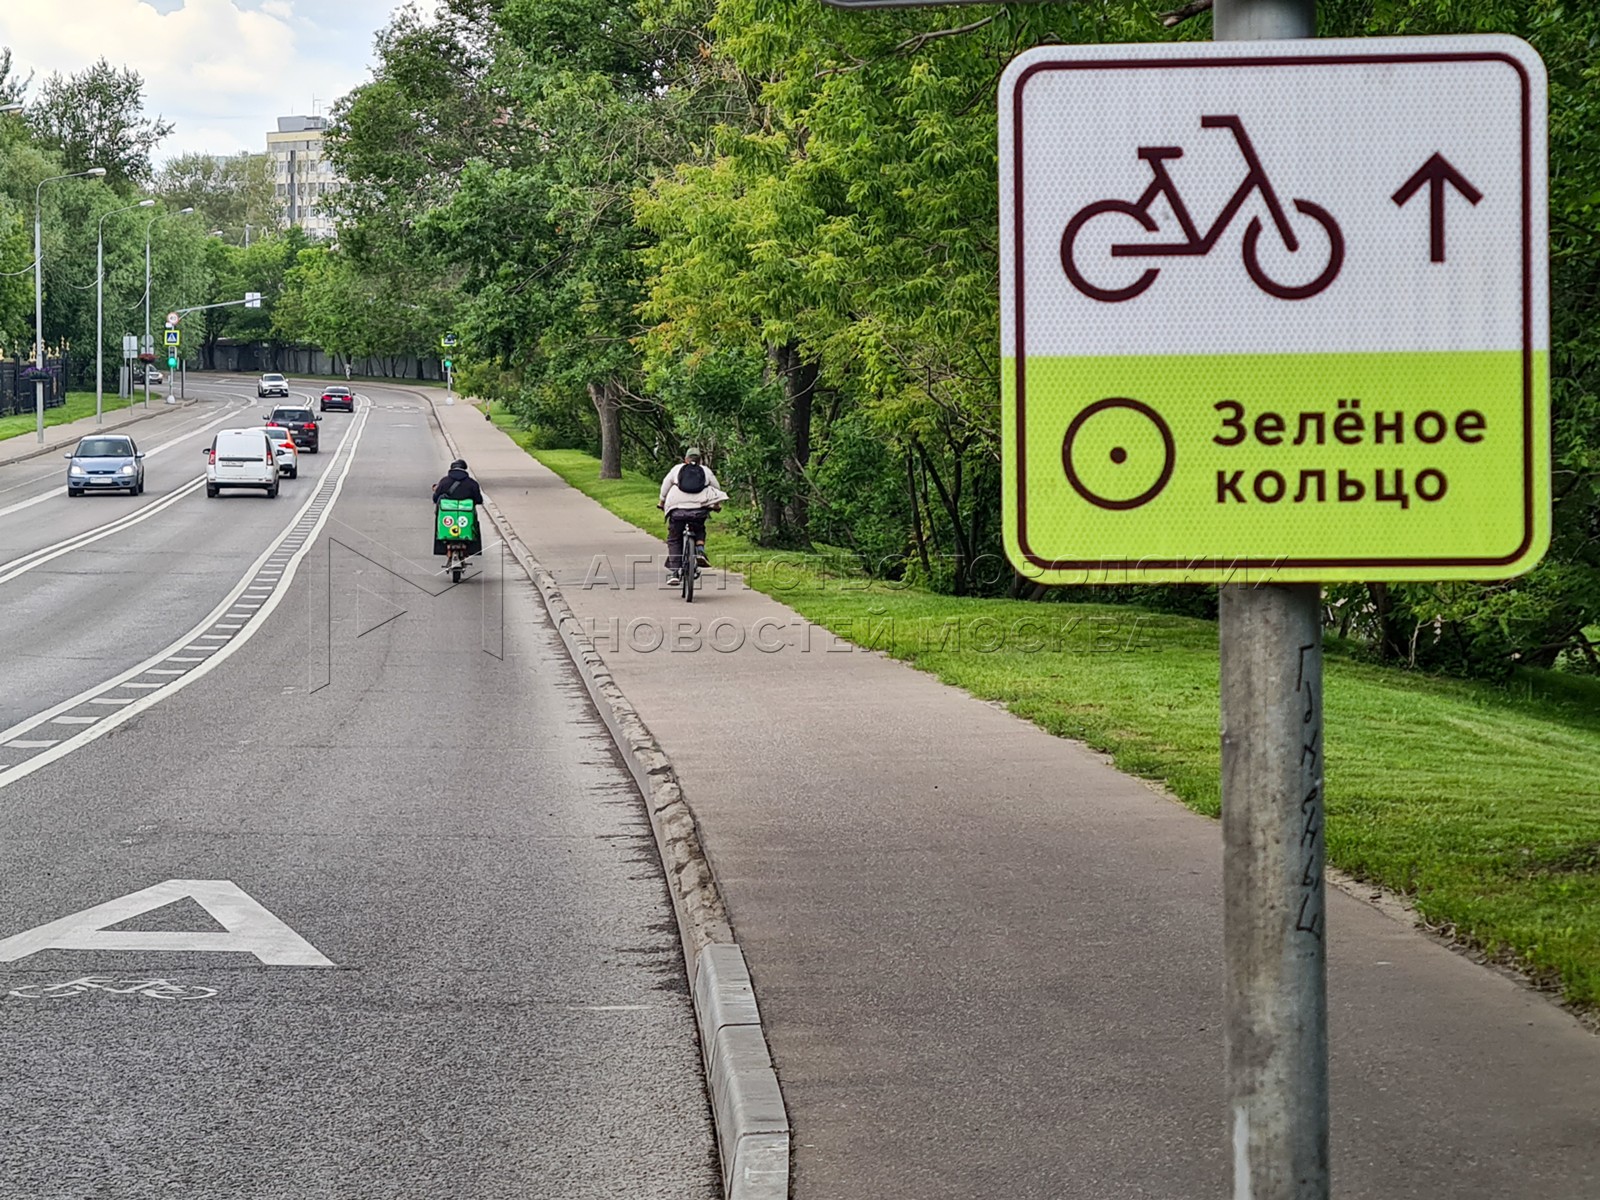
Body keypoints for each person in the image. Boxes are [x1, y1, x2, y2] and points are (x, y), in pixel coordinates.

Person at [658, 447, 726, 586]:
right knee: (699, 527)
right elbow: (717, 488)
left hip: (677, 509)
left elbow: (665, 485)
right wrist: (716, 505)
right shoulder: (705, 471)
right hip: (698, 509)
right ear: (700, 460)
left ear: (686, 459)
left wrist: (661, 502)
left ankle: (675, 572)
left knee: (674, 538)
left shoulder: (677, 469)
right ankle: (700, 551)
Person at [432, 458, 484, 558]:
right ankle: (473, 548)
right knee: (475, 522)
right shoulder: (472, 483)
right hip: (465, 518)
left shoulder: (444, 482)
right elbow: (479, 499)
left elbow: (435, 498)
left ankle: (441, 547)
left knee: (439, 519)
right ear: (465, 469)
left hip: (447, 519)